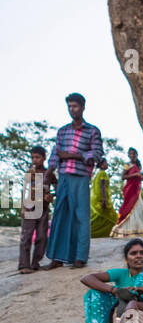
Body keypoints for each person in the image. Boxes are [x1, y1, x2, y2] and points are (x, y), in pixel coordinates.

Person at [46, 93, 104, 268]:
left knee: (81, 217)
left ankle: (80, 257)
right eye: (70, 106)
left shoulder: (92, 131)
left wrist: (73, 155)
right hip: (63, 176)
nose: (72, 110)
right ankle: (56, 258)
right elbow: (56, 153)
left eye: (75, 106)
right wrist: (49, 171)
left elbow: (96, 154)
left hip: (81, 177)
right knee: (60, 216)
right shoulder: (63, 131)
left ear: (83, 107)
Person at [18, 145, 56, 273]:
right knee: (26, 236)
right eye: (33, 157)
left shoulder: (49, 174)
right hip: (30, 208)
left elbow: (57, 190)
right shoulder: (30, 173)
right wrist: (23, 208)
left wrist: (51, 197)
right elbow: (24, 190)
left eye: (38, 157)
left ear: (44, 158)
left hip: (44, 210)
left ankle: (35, 263)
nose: (35, 160)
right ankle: (24, 265)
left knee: (42, 237)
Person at [111, 148, 143, 238]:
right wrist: (135, 175)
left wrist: (142, 176)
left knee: (138, 209)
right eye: (130, 154)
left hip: (136, 190)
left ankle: (137, 230)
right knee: (128, 207)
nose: (132, 155)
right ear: (128, 155)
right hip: (130, 189)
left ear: (136, 155)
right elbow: (123, 176)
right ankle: (123, 230)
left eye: (134, 154)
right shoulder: (127, 165)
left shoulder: (138, 166)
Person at [90, 159, 117, 238]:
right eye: (105, 163)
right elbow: (102, 186)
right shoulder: (103, 174)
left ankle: (96, 233)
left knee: (98, 218)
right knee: (113, 218)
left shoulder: (97, 175)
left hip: (95, 200)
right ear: (102, 165)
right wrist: (104, 199)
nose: (107, 164)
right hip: (101, 199)